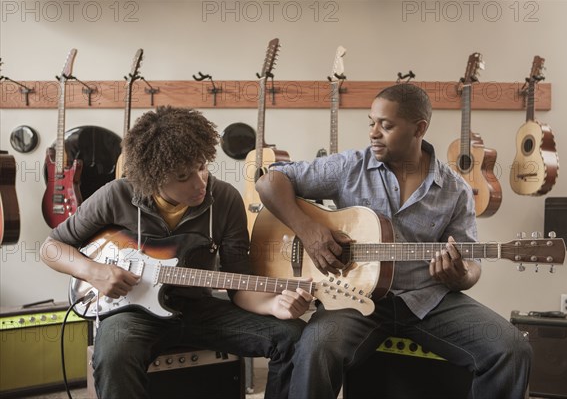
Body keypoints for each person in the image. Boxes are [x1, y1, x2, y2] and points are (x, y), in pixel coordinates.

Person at [255, 83, 532, 399]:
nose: (374, 132)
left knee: (512, 348)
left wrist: (460, 276)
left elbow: (472, 264)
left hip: (428, 300)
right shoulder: (349, 167)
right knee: (316, 348)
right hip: (355, 299)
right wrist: (309, 231)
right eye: (371, 122)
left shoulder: (455, 189)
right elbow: (269, 182)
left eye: (385, 125)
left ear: (419, 129)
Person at [40, 106, 311, 399]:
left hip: (200, 310)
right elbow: (51, 247)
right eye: (183, 176)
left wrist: (274, 306)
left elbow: (239, 283)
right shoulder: (116, 195)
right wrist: (94, 272)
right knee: (113, 355)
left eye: (202, 167)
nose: (199, 183)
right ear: (153, 176)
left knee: (292, 334)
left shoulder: (225, 199)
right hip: (133, 314)